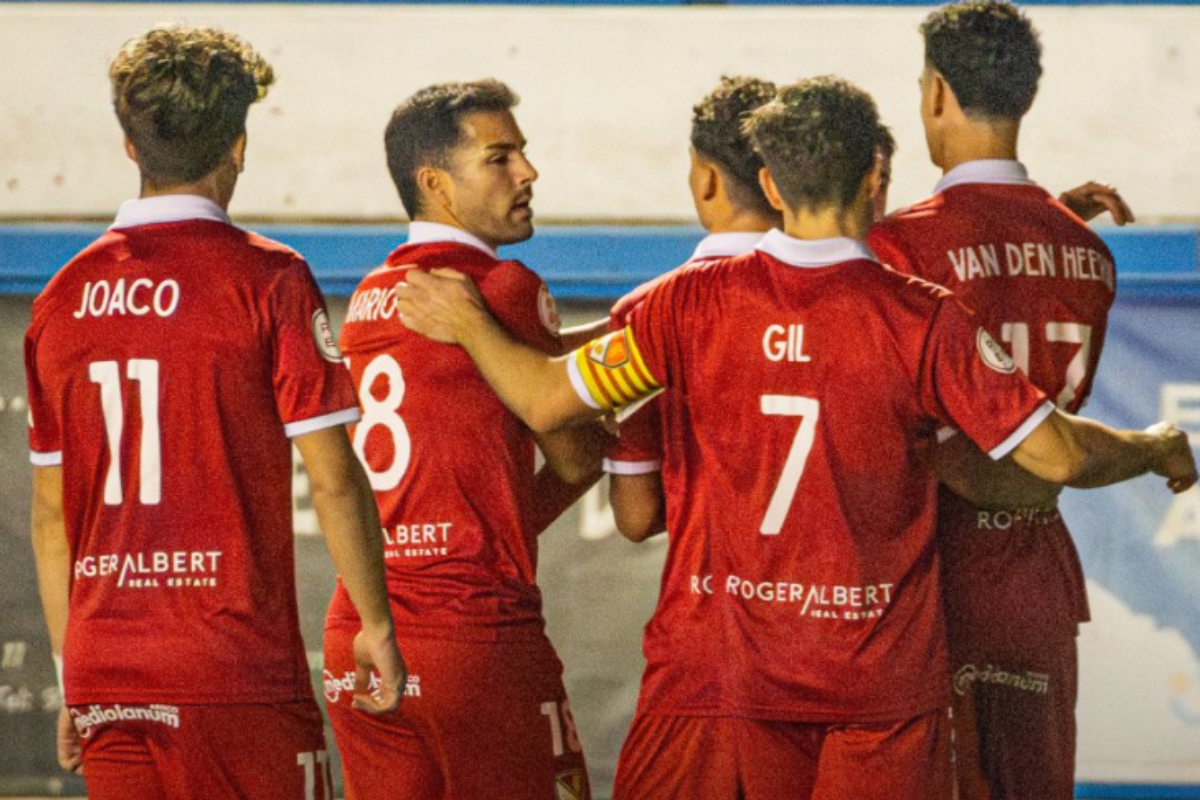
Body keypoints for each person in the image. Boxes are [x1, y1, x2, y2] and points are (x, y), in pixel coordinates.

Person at [394, 75, 1197, 799]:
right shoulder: (924, 320)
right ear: (877, 177)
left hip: (722, 680)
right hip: (873, 692)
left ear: (772, 184)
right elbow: (1057, 455)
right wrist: (1155, 444)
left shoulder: (683, 306)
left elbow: (545, 400)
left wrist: (470, 324)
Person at [24, 26, 403, 800]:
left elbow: (51, 517)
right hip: (232, 669)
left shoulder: (59, 299)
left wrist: (72, 677)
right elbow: (334, 478)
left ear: (130, 146)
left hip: (105, 672)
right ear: (238, 147)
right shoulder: (268, 278)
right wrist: (378, 625)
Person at [866, 3, 1130, 796]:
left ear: (936, 93)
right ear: (1026, 96)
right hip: (1035, 578)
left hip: (926, 579)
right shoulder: (1089, 251)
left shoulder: (896, 246)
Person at [321, 79, 602, 800]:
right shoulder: (502, 285)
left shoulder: (370, 295)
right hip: (475, 636)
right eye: (499, 158)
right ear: (436, 184)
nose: (527, 173)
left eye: (522, 153)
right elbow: (576, 457)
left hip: (360, 628)